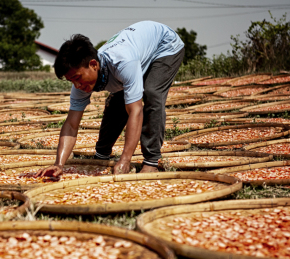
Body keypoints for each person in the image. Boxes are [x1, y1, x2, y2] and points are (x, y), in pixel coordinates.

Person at [35, 20, 185, 178]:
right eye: (71, 81)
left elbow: (135, 111)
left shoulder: (122, 63)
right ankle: (102, 154)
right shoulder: (81, 82)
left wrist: (125, 160)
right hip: (136, 54)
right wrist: (59, 164)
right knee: (116, 102)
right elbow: (71, 124)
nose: (77, 85)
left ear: (93, 65)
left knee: (152, 93)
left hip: (165, 46)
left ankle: (152, 161)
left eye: (77, 78)